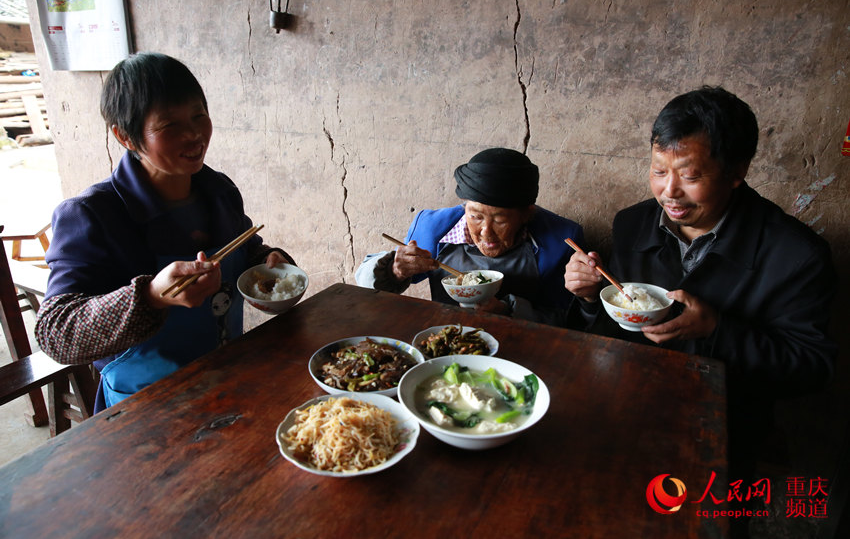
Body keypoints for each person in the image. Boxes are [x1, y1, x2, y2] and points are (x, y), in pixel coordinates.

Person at [564, 86, 837, 486]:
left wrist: (718, 331)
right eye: (659, 171)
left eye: (690, 176)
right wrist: (590, 298)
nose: (669, 192)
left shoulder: (797, 255)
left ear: (737, 171)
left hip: (721, 429)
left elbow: (812, 370)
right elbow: (613, 329)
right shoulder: (632, 224)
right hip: (626, 405)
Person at [35, 52, 295, 412]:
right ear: (125, 136)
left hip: (230, 379)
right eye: (169, 125)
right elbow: (56, 332)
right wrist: (152, 297)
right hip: (149, 407)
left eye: (198, 115)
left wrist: (266, 263)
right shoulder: (92, 215)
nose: (193, 134)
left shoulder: (218, 191)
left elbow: (247, 248)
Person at [356, 147, 584, 323]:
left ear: (527, 214)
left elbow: (567, 320)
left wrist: (507, 310)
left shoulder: (560, 240)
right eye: (475, 216)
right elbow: (365, 283)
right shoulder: (434, 227)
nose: (486, 232)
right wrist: (394, 270)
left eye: (500, 220)